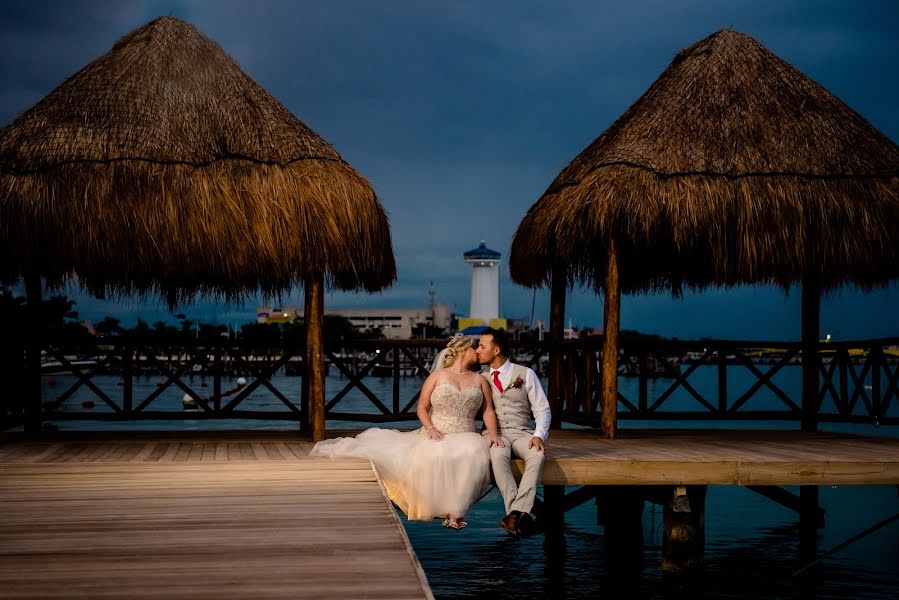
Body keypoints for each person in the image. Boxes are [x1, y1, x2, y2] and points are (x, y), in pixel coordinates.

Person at [309, 336, 504, 529]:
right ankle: (448, 512)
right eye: (474, 348)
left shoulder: (479, 379)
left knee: (473, 452)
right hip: (437, 431)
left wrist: (493, 434)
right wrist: (430, 428)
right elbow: (422, 407)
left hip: (466, 434)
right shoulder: (438, 376)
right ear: (463, 350)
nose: (478, 351)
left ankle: (456, 513)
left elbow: (487, 410)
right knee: (434, 454)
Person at [476, 328, 551, 537]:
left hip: (522, 432)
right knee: (499, 459)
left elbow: (542, 409)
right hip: (494, 433)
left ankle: (514, 514)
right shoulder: (480, 378)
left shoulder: (526, 374)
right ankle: (516, 514)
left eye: (482, 346)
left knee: (537, 454)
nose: (477, 350)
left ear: (496, 349)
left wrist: (538, 435)